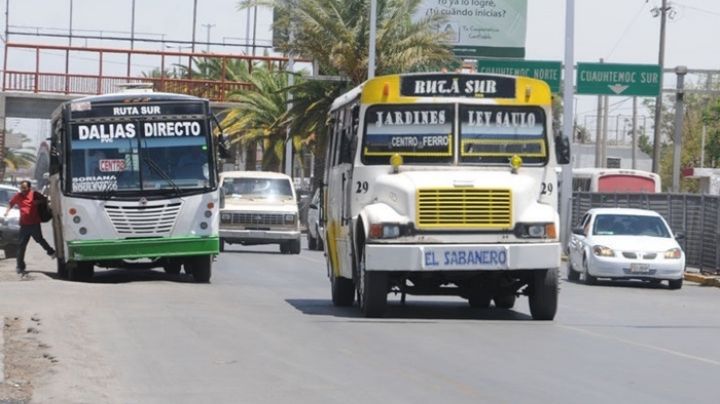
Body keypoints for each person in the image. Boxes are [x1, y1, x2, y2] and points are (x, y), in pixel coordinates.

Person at [3, 180, 55, 277]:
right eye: (21, 188)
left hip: (34, 224)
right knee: (21, 246)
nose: (22, 190)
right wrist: (7, 211)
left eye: (24, 188)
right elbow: (11, 203)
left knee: (39, 239)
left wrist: (38, 202)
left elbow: (45, 200)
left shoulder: (34, 194)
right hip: (24, 225)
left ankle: (51, 251)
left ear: (29, 188)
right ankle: (20, 267)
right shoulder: (18, 196)